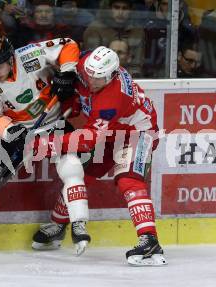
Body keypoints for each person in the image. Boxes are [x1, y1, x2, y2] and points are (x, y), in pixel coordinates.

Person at [30, 46, 167, 266]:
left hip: (137, 133)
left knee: (128, 180)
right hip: (111, 132)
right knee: (79, 173)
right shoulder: (86, 66)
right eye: (89, 76)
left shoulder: (113, 97)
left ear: (112, 75)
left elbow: (87, 140)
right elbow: (67, 52)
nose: (91, 81)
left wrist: (45, 145)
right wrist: (66, 78)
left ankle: (150, 241)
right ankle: (58, 225)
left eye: (99, 79)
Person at [0, 35, 91, 256]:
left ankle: (78, 223)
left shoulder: (30, 55)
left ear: (11, 60)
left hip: (53, 122)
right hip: (18, 131)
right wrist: (11, 131)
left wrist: (67, 72)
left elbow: (68, 44)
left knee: (72, 167)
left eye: (0, 66)